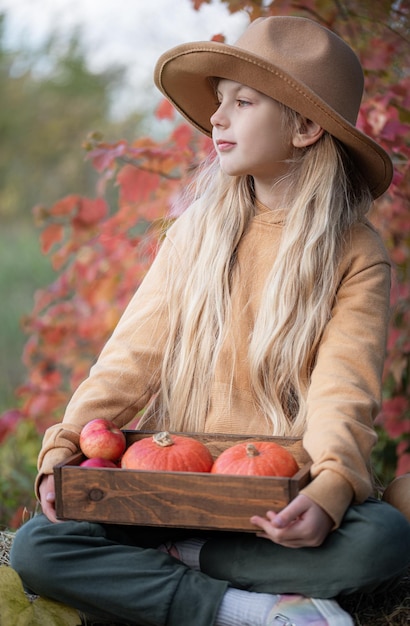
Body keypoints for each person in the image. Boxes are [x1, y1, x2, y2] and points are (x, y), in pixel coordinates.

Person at [11, 15, 410, 626]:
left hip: (271, 505)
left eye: (243, 102)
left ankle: (186, 562)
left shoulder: (354, 253)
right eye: (219, 102)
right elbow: (128, 363)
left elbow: (343, 391)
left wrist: (329, 491)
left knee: (379, 540)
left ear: (304, 127)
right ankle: (238, 607)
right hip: (169, 493)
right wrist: (64, 448)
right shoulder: (197, 233)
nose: (217, 119)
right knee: (40, 548)